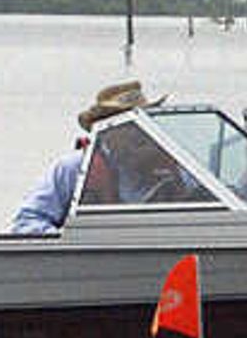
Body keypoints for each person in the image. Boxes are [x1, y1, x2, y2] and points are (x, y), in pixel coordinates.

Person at [10, 80, 148, 233]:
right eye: (129, 125)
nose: (139, 132)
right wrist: (69, 241)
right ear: (108, 129)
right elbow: (26, 222)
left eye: (145, 123)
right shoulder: (74, 168)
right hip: (95, 252)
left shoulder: (170, 163)